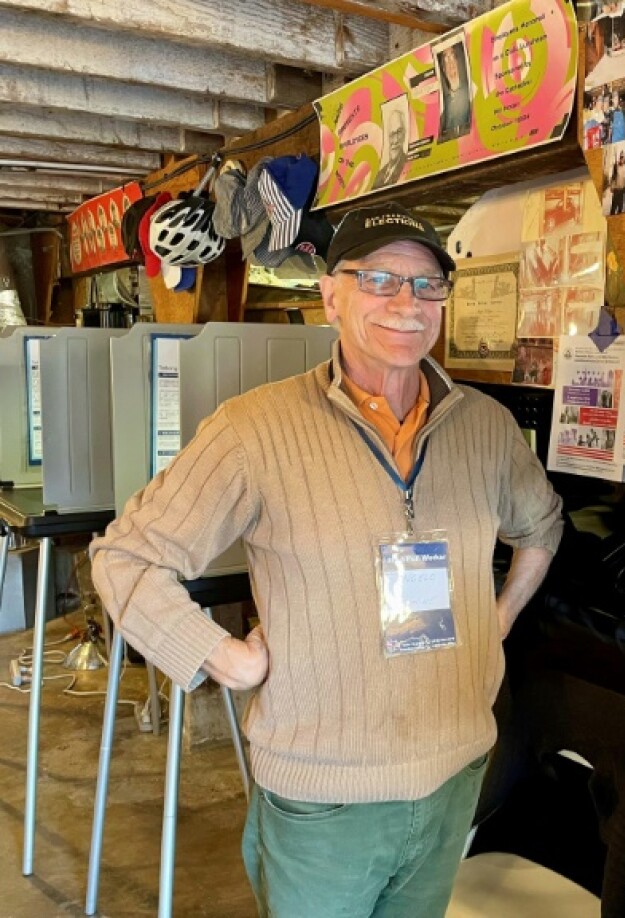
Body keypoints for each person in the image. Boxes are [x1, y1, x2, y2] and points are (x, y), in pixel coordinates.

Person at [90, 202, 564, 918]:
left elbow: (542, 525)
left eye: (427, 284)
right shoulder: (255, 429)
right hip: (326, 798)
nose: (407, 304)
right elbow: (124, 556)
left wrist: (494, 620)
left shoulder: (485, 426)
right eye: (379, 279)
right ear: (331, 295)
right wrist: (228, 659)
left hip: (455, 775)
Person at [437, 44, 472, 142]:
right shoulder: (443, 106)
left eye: (453, 58)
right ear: (443, 70)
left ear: (457, 62)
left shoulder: (471, 92)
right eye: (447, 60)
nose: (451, 65)